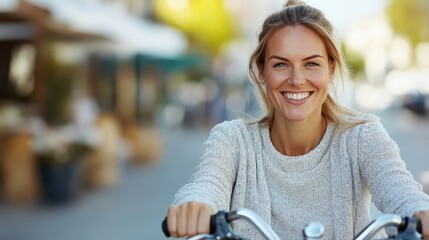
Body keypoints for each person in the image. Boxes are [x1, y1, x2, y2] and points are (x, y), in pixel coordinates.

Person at [165, 0, 429, 239]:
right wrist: (196, 206)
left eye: (311, 64)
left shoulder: (362, 135)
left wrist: (419, 211)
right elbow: (206, 184)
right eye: (280, 64)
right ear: (261, 71)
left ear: (331, 68)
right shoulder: (233, 140)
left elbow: (401, 190)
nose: (296, 79)